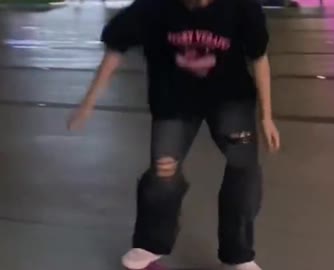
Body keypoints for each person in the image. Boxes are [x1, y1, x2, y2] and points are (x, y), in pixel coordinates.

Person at [67, 0, 280, 269]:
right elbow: (115, 48)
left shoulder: (241, 6)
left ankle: (239, 254)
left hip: (230, 100)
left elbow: (259, 57)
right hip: (174, 103)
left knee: (244, 169)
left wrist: (266, 116)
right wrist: (88, 102)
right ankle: (148, 245)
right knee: (163, 174)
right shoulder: (153, 6)